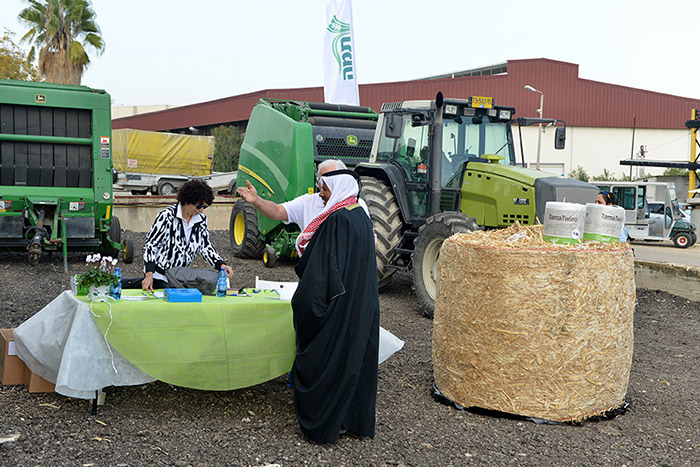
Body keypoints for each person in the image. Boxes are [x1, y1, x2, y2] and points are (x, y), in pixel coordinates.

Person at [287, 169, 379, 444]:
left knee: (331, 361)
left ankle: (328, 423)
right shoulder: (360, 216)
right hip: (360, 307)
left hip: (340, 309)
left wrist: (305, 303)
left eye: (325, 189)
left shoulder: (338, 220)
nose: (321, 195)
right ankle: (353, 421)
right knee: (354, 362)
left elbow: (321, 275)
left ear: (337, 188)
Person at [236, 159, 370, 255]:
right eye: (321, 181)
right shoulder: (308, 202)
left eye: (329, 182)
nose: (322, 187)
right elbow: (278, 211)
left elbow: (368, 243)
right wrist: (257, 200)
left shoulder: (356, 206)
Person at [122, 179, 233, 290]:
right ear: (187, 200)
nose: (201, 210)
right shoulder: (166, 216)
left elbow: (205, 246)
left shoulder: (201, 220)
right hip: (160, 274)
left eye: (205, 207)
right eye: (198, 206)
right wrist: (149, 275)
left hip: (180, 276)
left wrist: (221, 265)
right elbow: (151, 246)